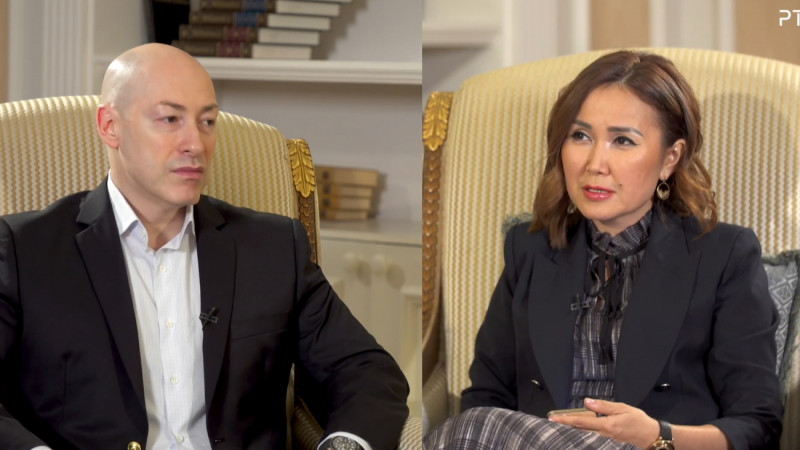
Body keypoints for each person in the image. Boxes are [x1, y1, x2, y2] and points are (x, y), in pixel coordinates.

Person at [0, 43, 409, 450]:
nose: (195, 144)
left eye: (207, 121)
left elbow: (366, 370)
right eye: (170, 119)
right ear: (110, 126)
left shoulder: (272, 247)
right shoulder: (25, 251)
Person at [424, 50, 782, 449]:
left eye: (623, 141)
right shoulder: (529, 249)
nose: (596, 163)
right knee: (472, 425)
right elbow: (487, 397)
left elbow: (758, 425)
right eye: (580, 136)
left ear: (670, 158)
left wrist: (658, 436)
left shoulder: (724, 255)